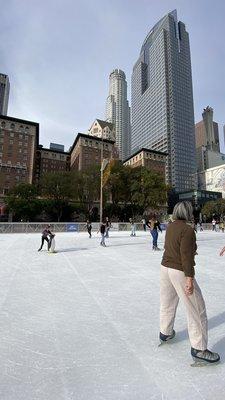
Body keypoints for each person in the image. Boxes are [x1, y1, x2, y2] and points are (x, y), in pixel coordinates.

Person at [159, 201, 220, 365]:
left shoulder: (171, 226)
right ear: (187, 213)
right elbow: (185, 256)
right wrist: (189, 278)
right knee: (197, 309)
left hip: (165, 267)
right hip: (179, 270)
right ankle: (199, 349)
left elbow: (172, 246)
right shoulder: (187, 229)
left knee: (167, 303)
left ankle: (165, 332)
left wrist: (191, 249)